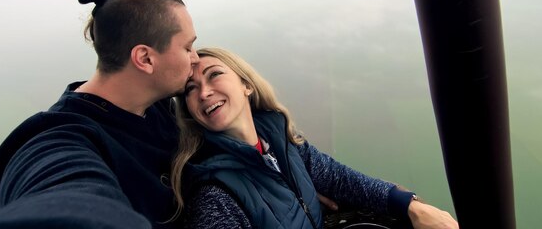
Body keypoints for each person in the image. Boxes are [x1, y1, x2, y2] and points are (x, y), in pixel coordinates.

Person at [0, 0, 199, 229]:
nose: (195, 58)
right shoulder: (58, 140)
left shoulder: (158, 105)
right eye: (187, 47)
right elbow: (61, 200)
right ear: (145, 58)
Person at [170, 47, 460, 229]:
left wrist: (410, 204)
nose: (204, 92)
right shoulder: (213, 195)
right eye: (191, 89)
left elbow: (337, 178)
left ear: (246, 85)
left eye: (214, 75)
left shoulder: (282, 142)